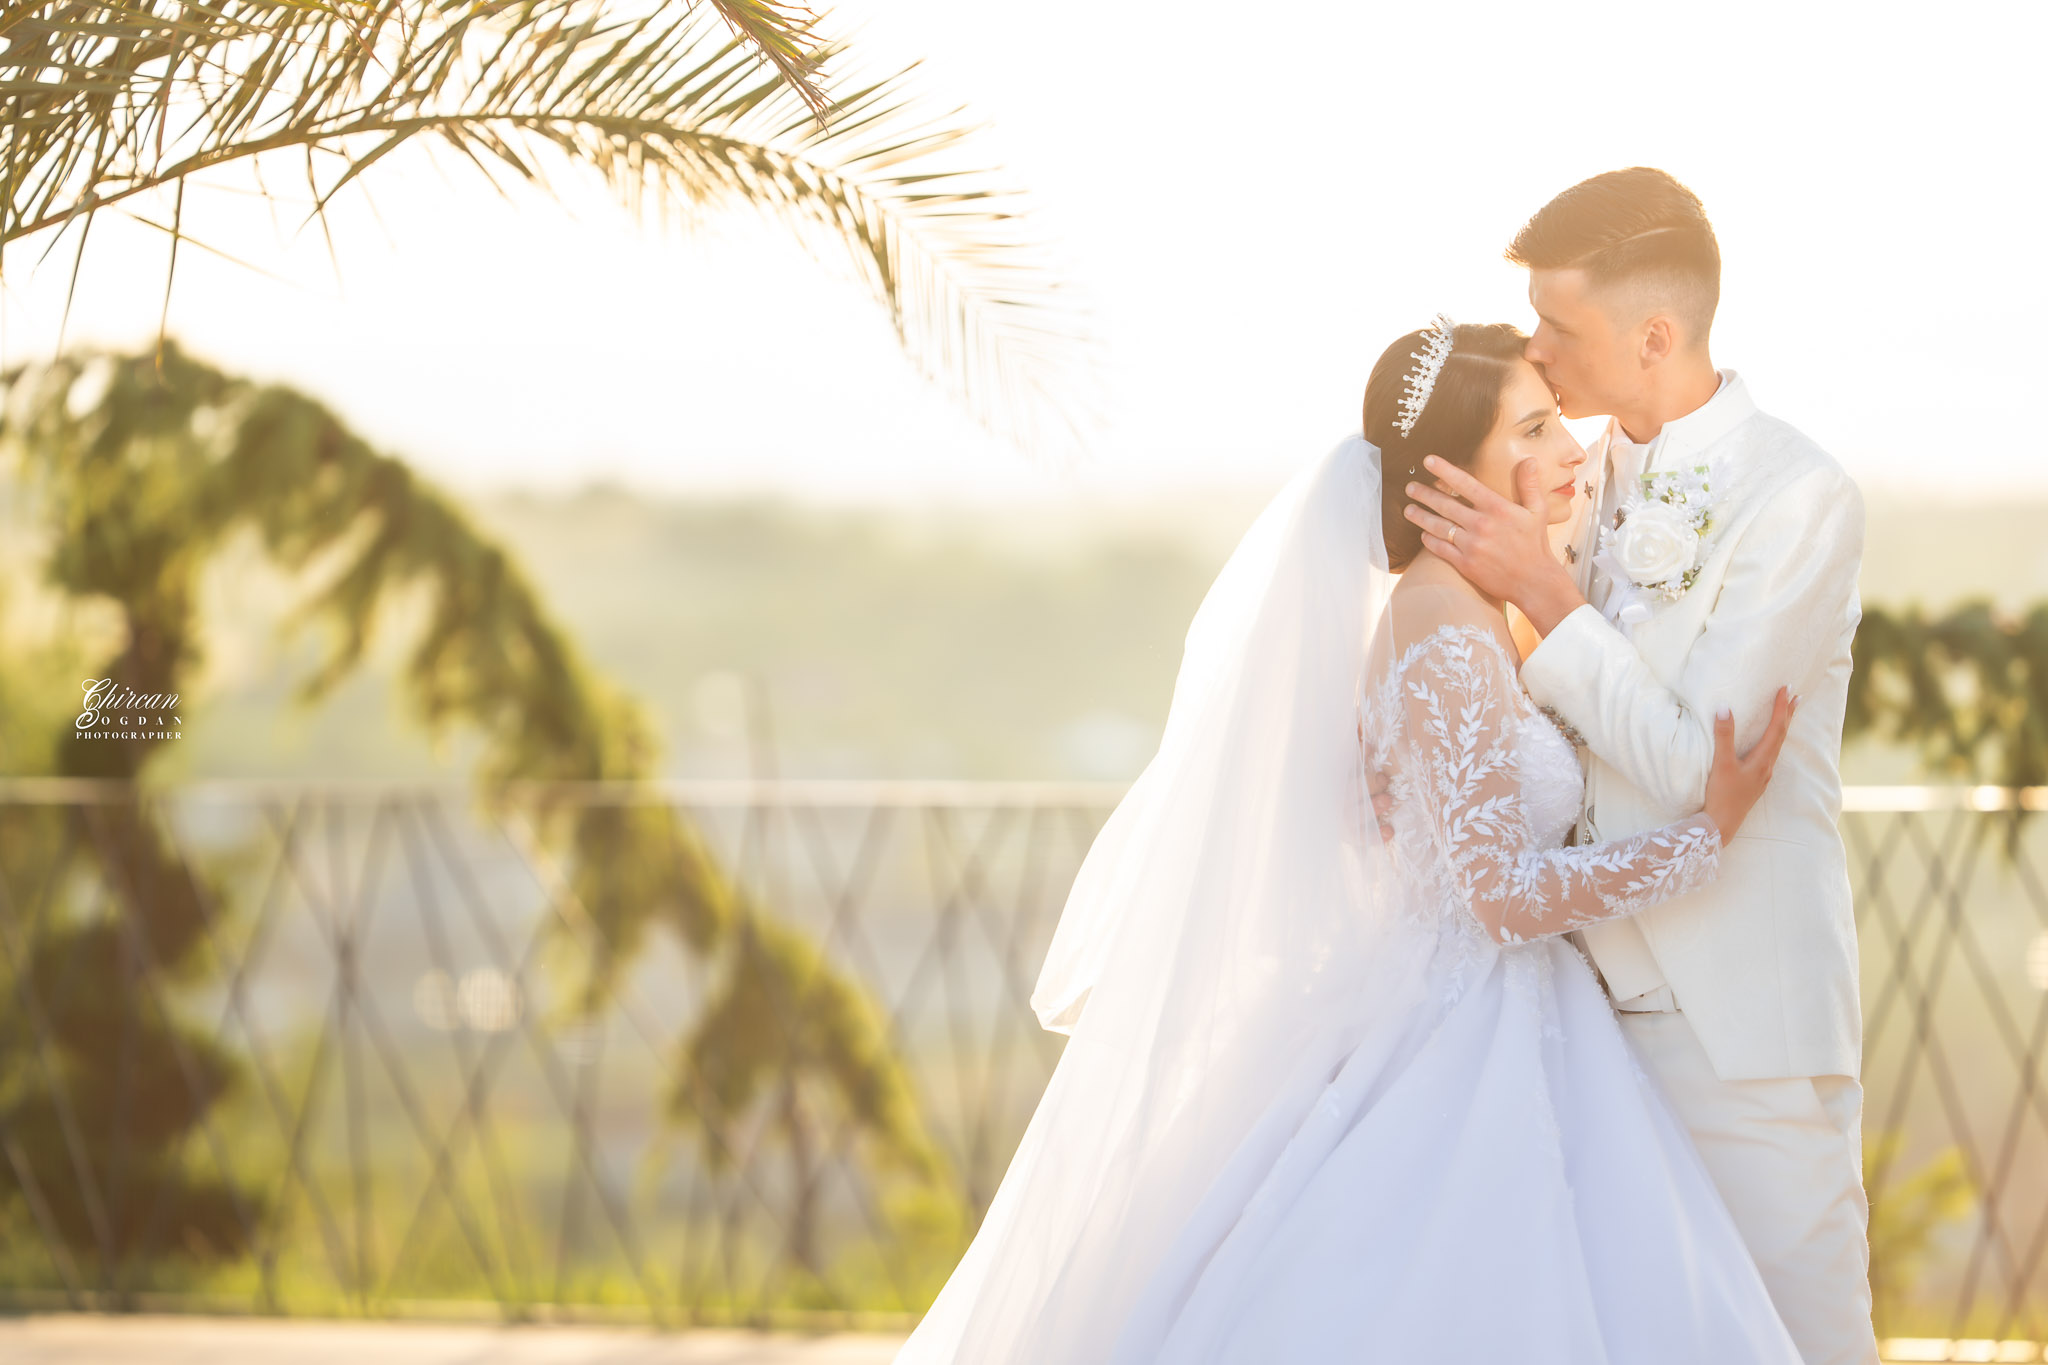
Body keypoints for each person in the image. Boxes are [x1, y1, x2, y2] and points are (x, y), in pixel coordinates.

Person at [894, 311, 1803, 1364]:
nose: (1569, 450)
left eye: (1556, 421)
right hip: (1470, 1019)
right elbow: (1498, 897)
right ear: (1444, 476)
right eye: (1531, 431)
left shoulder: (1470, 611)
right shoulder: (1443, 623)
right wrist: (1705, 836)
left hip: (1499, 1003)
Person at [1398, 168, 1874, 1365]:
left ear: (1652, 335)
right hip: (1561, 1019)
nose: (1536, 352)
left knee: (1796, 1345)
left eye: (1557, 326)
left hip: (1737, 1033)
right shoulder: (1561, 473)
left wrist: (1542, 593)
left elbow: (1687, 767)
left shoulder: (1798, 499)